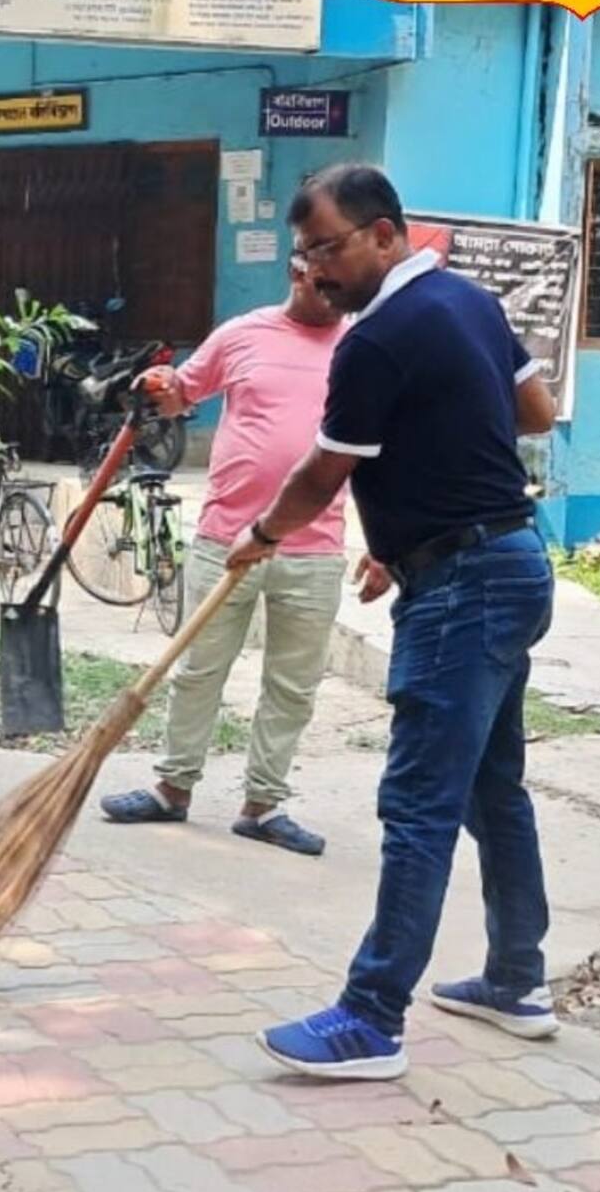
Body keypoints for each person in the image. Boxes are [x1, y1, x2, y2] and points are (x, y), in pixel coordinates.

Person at [223, 163, 559, 1082]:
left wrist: (260, 534)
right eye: (304, 254)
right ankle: (516, 980)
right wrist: (419, 518)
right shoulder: (468, 301)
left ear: (383, 233)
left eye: (328, 248)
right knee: (495, 787)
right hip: (509, 561)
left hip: (463, 586)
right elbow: (537, 409)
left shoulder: (376, 340)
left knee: (418, 806)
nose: (317, 269)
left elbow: (322, 475)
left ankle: (372, 1019)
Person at [98, 256, 347, 856]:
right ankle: (172, 788)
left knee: (292, 684)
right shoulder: (243, 334)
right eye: (324, 280)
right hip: (225, 539)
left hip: (314, 546)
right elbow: (183, 394)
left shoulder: (360, 346)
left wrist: (387, 547)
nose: (336, 293)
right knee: (198, 668)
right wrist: (160, 386)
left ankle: (264, 805)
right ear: (297, 271)